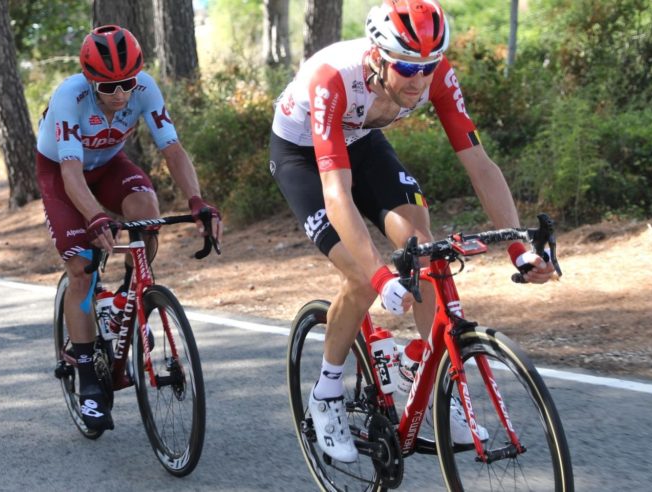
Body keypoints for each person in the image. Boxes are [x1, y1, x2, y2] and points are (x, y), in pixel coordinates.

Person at [269, 0, 556, 462]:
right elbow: (337, 193)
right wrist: (381, 276)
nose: (419, 79)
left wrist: (518, 247)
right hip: (303, 155)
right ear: (378, 56)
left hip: (362, 142)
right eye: (406, 66)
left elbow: (480, 166)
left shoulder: (436, 77)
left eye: (429, 65)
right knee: (361, 278)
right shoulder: (333, 77)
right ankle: (326, 393)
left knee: (424, 253)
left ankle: (425, 372)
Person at [37, 25, 223, 431]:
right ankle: (87, 378)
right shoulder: (71, 96)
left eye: (127, 82)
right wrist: (94, 215)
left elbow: (171, 148)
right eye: (109, 86)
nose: (120, 93)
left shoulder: (144, 88)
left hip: (107, 165)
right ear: (90, 80)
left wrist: (196, 200)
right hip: (61, 171)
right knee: (81, 268)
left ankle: (128, 300)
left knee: (147, 211)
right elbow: (70, 171)